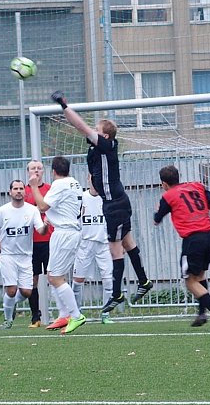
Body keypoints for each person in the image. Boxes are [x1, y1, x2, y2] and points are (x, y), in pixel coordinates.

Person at [50, 91, 153, 320]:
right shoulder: (98, 151)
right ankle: (144, 281)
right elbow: (97, 187)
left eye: (97, 130)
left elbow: (80, 126)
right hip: (115, 201)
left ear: (104, 135)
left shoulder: (106, 144)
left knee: (115, 249)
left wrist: (64, 105)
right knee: (128, 242)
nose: (93, 132)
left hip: (115, 205)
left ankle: (116, 294)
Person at [153, 165, 210, 331]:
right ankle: (201, 314)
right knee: (200, 275)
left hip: (193, 240)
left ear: (164, 184)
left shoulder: (168, 195)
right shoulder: (197, 186)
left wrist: (158, 211)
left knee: (189, 281)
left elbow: (156, 220)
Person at [28, 156, 86, 335]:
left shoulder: (59, 184)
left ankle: (76, 316)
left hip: (65, 233)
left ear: (53, 171)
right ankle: (64, 314)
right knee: (52, 275)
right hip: (65, 231)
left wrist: (34, 186)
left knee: (55, 278)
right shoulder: (74, 183)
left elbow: (43, 205)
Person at [0, 179, 48, 329]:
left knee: (27, 292)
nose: (19, 191)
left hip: (26, 256)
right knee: (11, 289)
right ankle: (8, 319)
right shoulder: (2, 211)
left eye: (21, 188)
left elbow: (40, 229)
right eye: (15, 188)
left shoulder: (32, 210)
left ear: (24, 191)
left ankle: (9, 304)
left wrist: (46, 226)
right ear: (10, 192)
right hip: (8, 255)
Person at [72, 175, 114, 323]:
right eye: (93, 179)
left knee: (109, 280)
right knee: (78, 280)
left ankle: (105, 314)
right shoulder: (81, 198)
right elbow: (74, 219)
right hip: (85, 244)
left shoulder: (107, 198)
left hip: (103, 244)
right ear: (88, 179)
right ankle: (76, 314)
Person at [23, 160, 54, 328]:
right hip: (31, 243)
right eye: (33, 168)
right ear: (28, 171)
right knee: (32, 280)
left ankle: (61, 314)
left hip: (50, 240)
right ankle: (36, 317)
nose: (36, 171)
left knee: (54, 277)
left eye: (39, 168)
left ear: (43, 171)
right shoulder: (24, 192)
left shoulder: (50, 190)